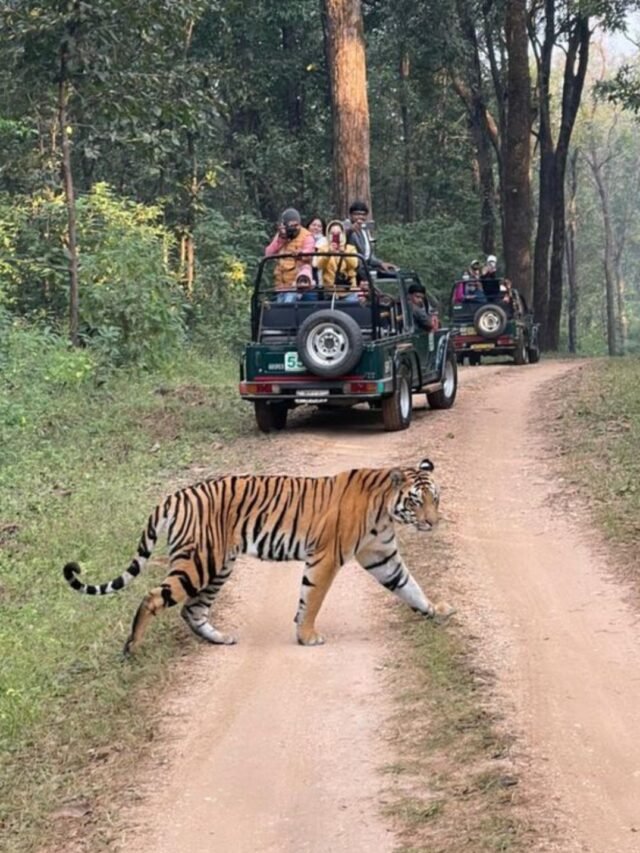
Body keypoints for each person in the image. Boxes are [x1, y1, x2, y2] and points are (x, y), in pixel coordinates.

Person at [264, 207, 314, 303]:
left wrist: (300, 253)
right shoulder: (281, 235)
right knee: (278, 308)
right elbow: (268, 253)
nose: (293, 228)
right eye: (290, 225)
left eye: (295, 225)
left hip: (296, 285)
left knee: (288, 304)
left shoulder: (307, 236)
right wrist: (281, 239)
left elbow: (308, 255)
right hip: (280, 285)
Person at [345, 200, 396, 281]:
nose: (360, 217)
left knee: (393, 275)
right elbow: (342, 234)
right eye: (357, 214)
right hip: (352, 271)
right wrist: (350, 230)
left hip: (366, 268)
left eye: (363, 214)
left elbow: (368, 256)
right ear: (351, 215)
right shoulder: (346, 227)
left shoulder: (365, 230)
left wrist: (380, 263)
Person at [316, 220, 360, 301]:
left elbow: (354, 264)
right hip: (329, 292)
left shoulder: (350, 248)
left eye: (338, 233)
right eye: (332, 233)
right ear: (328, 235)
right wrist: (328, 253)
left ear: (343, 234)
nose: (335, 235)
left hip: (349, 291)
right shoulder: (323, 249)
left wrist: (344, 253)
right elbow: (319, 265)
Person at [305, 214, 327, 287]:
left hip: (319, 276)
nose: (316, 228)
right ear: (308, 226)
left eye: (319, 226)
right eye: (313, 225)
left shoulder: (325, 243)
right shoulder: (302, 239)